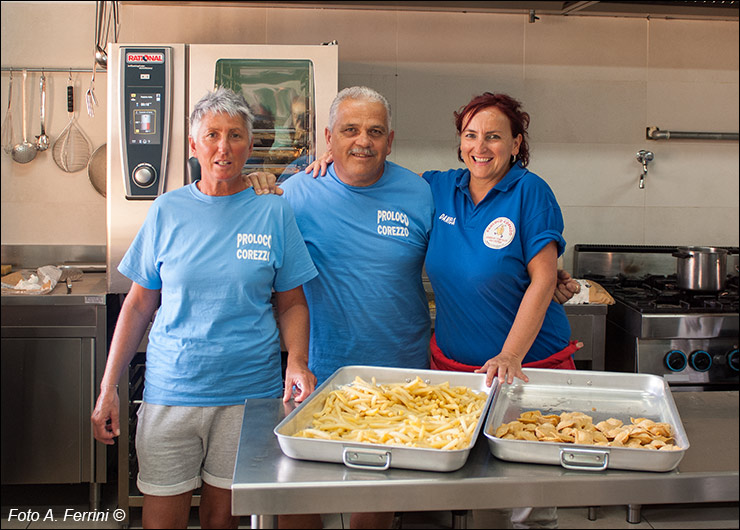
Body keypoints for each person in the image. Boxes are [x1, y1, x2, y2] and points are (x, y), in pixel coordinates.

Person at [247, 86, 579, 529]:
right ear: (329, 137)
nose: (362, 141)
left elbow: (531, 270)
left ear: (390, 139)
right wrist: (271, 177)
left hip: (423, 372)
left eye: (374, 131)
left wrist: (541, 293)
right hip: (346, 371)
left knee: (509, 498)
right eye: (349, 130)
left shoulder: (443, 191)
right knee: (303, 497)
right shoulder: (432, 188)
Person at [91, 87, 318, 529]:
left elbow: (292, 302)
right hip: (172, 393)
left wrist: (297, 362)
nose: (223, 146)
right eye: (211, 134)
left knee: (222, 519)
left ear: (250, 147)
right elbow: (138, 305)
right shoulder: (166, 211)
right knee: (162, 519)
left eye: (235, 135)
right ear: (194, 145)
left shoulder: (272, 212)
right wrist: (108, 387)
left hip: (248, 395)